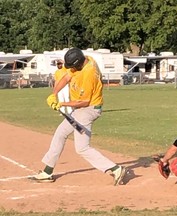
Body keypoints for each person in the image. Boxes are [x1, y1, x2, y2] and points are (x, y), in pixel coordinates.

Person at [32, 47, 126, 186]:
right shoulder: (85, 60)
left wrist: (61, 103)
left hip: (88, 109)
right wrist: (54, 94)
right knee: (60, 134)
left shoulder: (88, 74)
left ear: (78, 63)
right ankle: (47, 171)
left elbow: (84, 101)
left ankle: (115, 169)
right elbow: (67, 77)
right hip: (80, 109)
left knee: (82, 148)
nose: (71, 69)